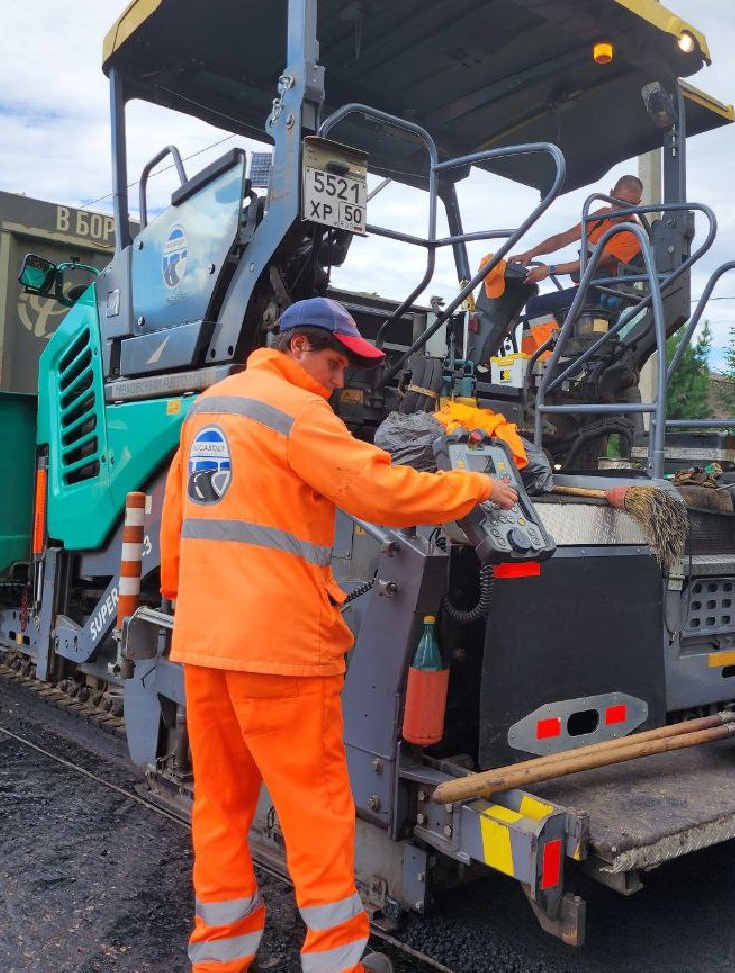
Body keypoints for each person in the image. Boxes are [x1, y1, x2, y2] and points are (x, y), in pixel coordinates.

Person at [161, 297, 518, 973]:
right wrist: (465, 488)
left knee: (220, 801)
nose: (337, 380)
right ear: (296, 345)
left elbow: (179, 524)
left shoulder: (212, 407)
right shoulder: (296, 412)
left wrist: (195, 603)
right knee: (316, 807)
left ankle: (220, 955)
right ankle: (335, 962)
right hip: (280, 650)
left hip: (207, 642)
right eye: (332, 362)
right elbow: (374, 489)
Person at [511, 175, 644, 351]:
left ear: (638, 203)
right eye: (618, 201)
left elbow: (591, 263)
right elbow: (564, 238)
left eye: (630, 206)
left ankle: (551, 356)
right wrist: (530, 254)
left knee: (536, 306)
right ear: (611, 193)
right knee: (535, 315)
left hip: (600, 294)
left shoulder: (631, 233)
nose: (622, 209)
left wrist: (548, 270)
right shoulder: (600, 217)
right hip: (584, 288)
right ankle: (529, 361)